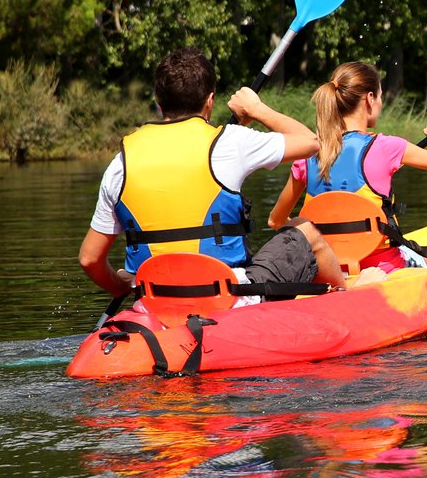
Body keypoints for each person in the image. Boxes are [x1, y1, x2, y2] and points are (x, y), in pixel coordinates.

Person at [78, 46, 347, 305]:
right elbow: (311, 142)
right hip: (226, 298)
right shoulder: (230, 142)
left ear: (159, 103)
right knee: (304, 229)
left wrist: (121, 286)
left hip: (155, 301)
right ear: (210, 101)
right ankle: (347, 299)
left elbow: (90, 259)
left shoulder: (121, 162)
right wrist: (256, 109)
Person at [266, 61, 427, 278]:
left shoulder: (306, 155)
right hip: (385, 267)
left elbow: (275, 221)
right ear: (369, 99)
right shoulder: (387, 147)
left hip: (329, 272)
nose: (380, 104)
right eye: (380, 97)